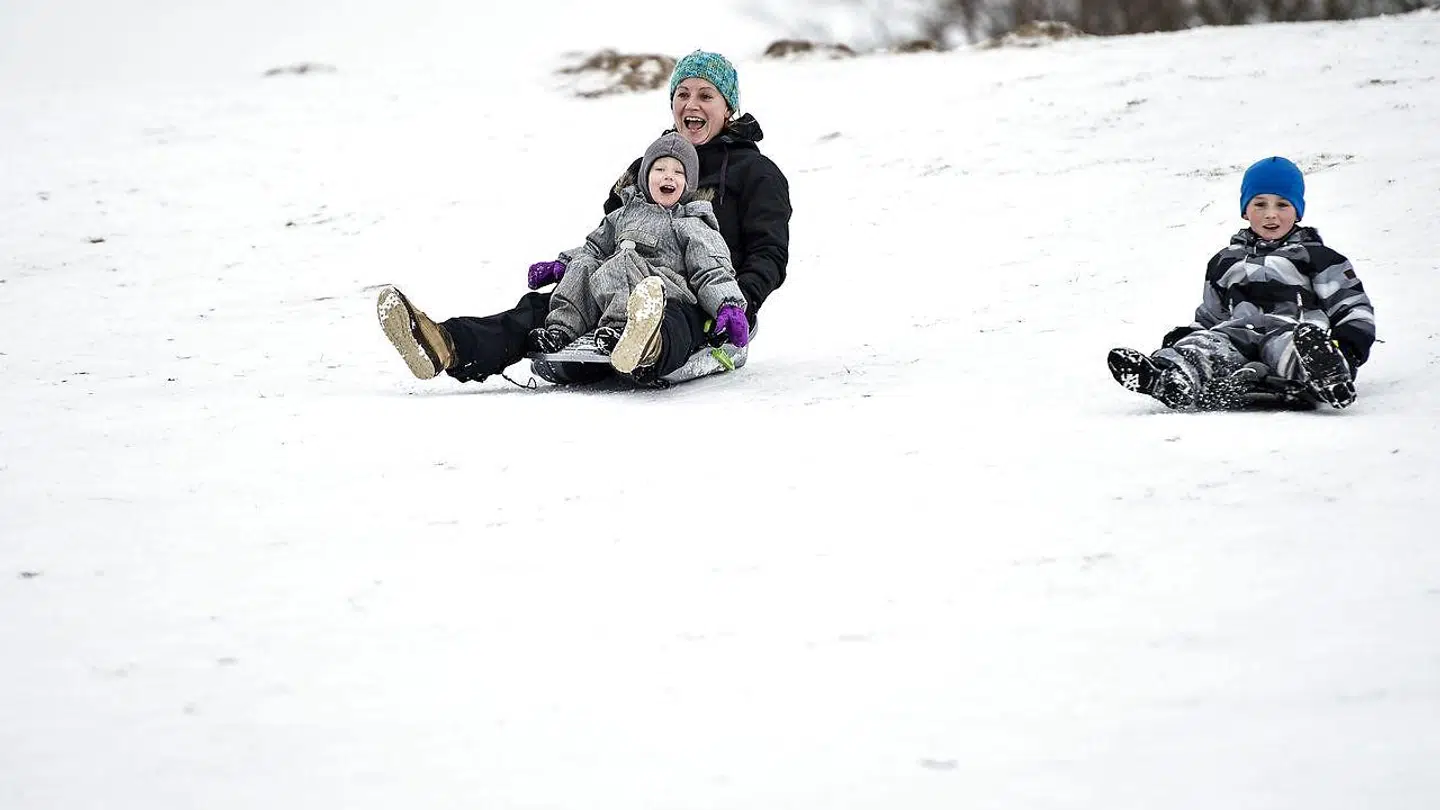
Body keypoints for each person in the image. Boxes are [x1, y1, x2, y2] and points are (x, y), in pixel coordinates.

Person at [377, 49, 791, 384]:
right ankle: (447, 344)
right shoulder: (643, 167)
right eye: (682, 94)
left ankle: (646, 344)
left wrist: (736, 306)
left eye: (706, 95)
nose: (692, 104)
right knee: (549, 308)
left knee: (672, 315)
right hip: (623, 284)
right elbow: (608, 235)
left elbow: (769, 252)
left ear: (729, 107)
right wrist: (569, 267)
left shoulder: (755, 173)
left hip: (699, 299)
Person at [1107, 156, 1376, 410]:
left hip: (1289, 331)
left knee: (1292, 352)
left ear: (1298, 211)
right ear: (1245, 211)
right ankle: (1167, 378)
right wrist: (1187, 337)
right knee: (1204, 347)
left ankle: (1327, 372)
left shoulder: (1318, 257)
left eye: (1282, 205)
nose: (1271, 214)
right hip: (1235, 335)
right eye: (1260, 204)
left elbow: (1352, 306)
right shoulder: (1224, 261)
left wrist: (1350, 347)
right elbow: (1212, 315)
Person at [526, 132, 748, 375]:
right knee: (585, 264)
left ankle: (623, 330)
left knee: (622, 261)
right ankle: (561, 330)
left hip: (662, 291)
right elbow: (594, 247)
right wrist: (561, 264)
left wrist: (728, 304)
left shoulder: (692, 222)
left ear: (688, 184)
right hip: (614, 284)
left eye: (678, 172)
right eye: (659, 169)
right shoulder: (622, 215)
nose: (668, 176)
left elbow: (712, 268)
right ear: (645, 177)